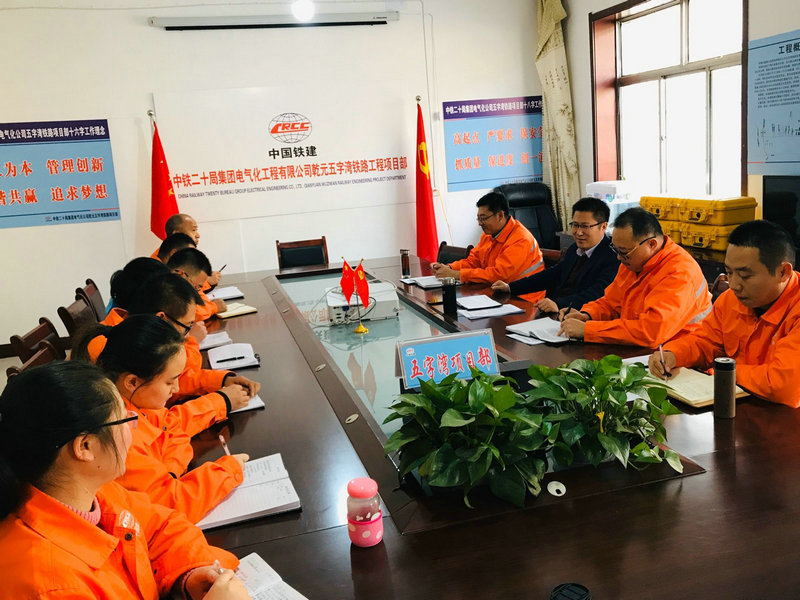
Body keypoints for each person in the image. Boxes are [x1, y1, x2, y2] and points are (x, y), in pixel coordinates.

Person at [0, 361, 250, 599]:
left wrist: (187, 576)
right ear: (85, 446)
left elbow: (160, 527)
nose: (134, 430)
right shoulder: (49, 586)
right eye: (125, 420)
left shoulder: (92, 492)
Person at [81, 315, 251, 522]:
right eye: (170, 382)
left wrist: (169, 470)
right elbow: (170, 504)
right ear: (132, 382)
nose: (177, 389)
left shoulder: (133, 403)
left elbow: (171, 427)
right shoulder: (117, 434)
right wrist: (227, 471)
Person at [650, 220, 800, 408]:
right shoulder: (730, 300)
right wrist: (673, 354)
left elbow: (783, 385)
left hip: (782, 417)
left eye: (745, 276)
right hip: (736, 403)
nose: (734, 285)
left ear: (783, 272)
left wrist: (724, 371)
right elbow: (706, 343)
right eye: (729, 273)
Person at [81, 273, 260, 401]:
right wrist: (221, 402)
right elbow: (163, 421)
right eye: (187, 326)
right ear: (162, 318)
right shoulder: (115, 345)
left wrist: (222, 380)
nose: (188, 333)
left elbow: (173, 378)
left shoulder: (137, 333)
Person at [559, 207, 711, 347]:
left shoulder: (680, 272)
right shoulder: (633, 263)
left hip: (680, 355)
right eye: (616, 250)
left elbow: (651, 332)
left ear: (651, 244)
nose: (619, 257)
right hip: (639, 348)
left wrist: (588, 330)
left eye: (624, 252)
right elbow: (611, 303)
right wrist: (587, 315)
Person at [491, 197, 618, 313]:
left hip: (580, 316)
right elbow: (553, 274)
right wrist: (510, 287)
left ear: (603, 226)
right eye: (575, 225)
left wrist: (559, 304)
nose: (578, 232)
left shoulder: (613, 257)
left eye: (585, 226)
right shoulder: (575, 248)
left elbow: (597, 293)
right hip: (556, 311)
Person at [430, 191, 545, 300]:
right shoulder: (489, 235)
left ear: (500, 215)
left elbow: (499, 275)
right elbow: (473, 261)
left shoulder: (521, 239)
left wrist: (457, 275)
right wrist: (449, 268)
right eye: (478, 218)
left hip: (524, 298)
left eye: (483, 218)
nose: (480, 223)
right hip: (498, 292)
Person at [152, 213, 222, 288]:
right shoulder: (157, 271)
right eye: (193, 230)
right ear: (177, 234)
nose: (198, 235)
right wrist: (206, 281)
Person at [168, 247, 227, 320]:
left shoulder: (181, 285)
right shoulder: (164, 290)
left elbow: (203, 301)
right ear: (181, 274)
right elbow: (187, 313)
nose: (198, 290)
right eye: (197, 287)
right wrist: (213, 307)